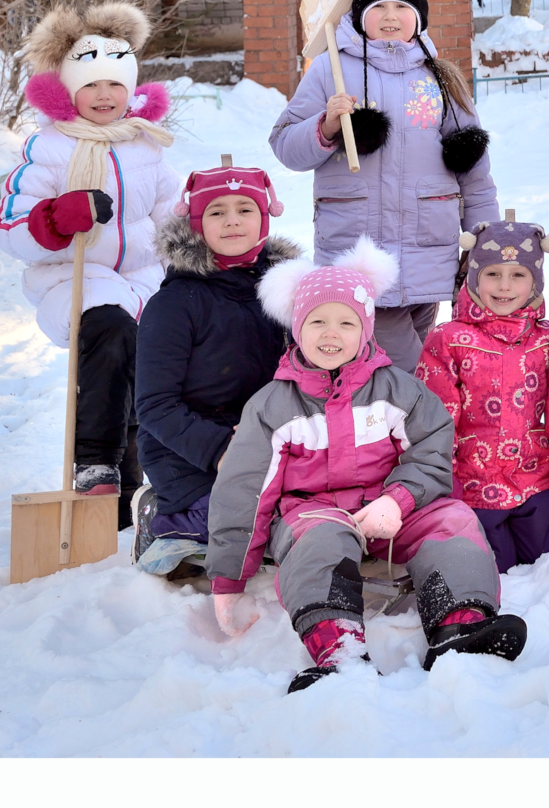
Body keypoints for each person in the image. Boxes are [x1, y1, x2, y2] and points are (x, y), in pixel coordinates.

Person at [208, 237, 528, 693]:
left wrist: (399, 499)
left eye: (345, 322)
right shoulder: (273, 407)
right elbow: (244, 490)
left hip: (390, 506)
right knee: (315, 542)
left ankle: (459, 623)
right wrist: (228, 578)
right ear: (297, 328)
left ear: (366, 330)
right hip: (314, 510)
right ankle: (337, 646)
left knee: (452, 519)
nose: (331, 334)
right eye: (317, 321)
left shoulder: (397, 390)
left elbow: (431, 447)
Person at [268, 0, 497, 371]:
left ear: (419, 17)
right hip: (361, 254)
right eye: (379, 8)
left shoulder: (440, 77)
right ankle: (429, 429)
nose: (390, 17)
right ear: (360, 16)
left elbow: (475, 172)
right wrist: (327, 126)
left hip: (433, 248)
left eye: (402, 8)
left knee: (399, 371)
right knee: (414, 372)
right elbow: (284, 145)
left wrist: (482, 237)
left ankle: (407, 437)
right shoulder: (331, 71)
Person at [0, 1, 182, 517]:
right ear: (69, 90)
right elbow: (10, 224)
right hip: (72, 278)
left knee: (153, 360)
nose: (105, 95)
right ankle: (94, 462)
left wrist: (217, 219)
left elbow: (173, 215)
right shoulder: (47, 147)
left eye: (116, 84)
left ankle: (133, 482)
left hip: (144, 280)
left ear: (132, 89)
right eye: (92, 84)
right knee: (112, 331)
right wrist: (57, 217)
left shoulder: (145, 145)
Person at [131, 164, 299, 578]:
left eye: (245, 209)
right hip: (189, 446)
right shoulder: (175, 304)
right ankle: (164, 521)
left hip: (269, 435)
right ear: (196, 223)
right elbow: (154, 405)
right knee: (245, 520)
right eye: (217, 211)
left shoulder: (286, 291)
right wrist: (223, 449)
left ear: (264, 217)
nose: (232, 221)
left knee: (309, 510)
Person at [416, 218, 549, 575]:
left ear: (536, 281)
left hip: (538, 484)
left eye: (518, 275)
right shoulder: (448, 341)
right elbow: (436, 423)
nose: (504, 286)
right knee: (491, 571)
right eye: (492, 274)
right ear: (473, 277)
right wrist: (448, 487)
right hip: (475, 489)